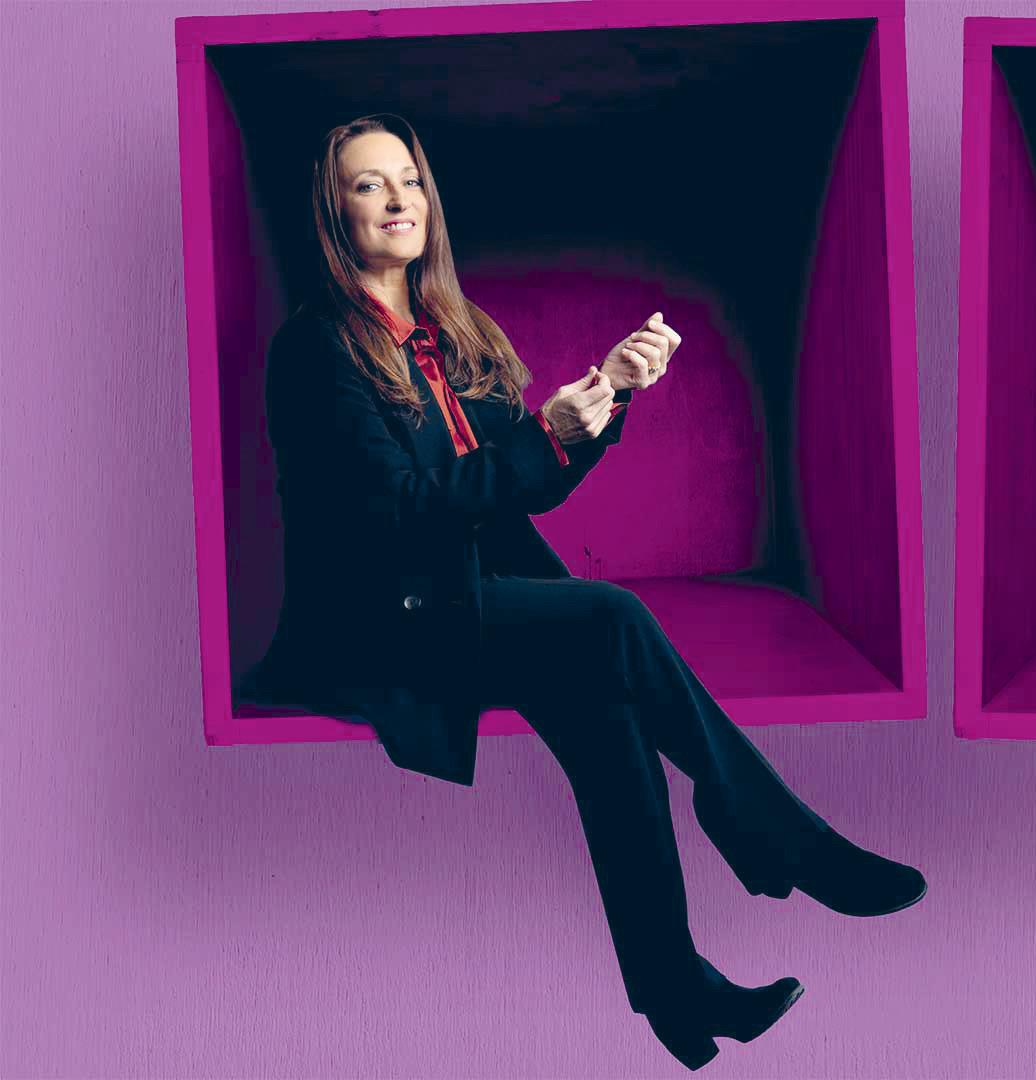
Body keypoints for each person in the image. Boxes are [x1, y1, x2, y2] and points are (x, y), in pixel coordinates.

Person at [236, 112, 927, 1073]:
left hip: (467, 600)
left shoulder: (453, 332)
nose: (398, 199)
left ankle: (677, 992)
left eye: (410, 179)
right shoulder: (317, 349)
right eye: (368, 184)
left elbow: (520, 486)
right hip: (383, 622)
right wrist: (540, 438)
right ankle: (778, 835)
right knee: (612, 614)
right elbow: (402, 512)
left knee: (609, 709)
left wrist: (609, 393)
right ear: (334, 212)